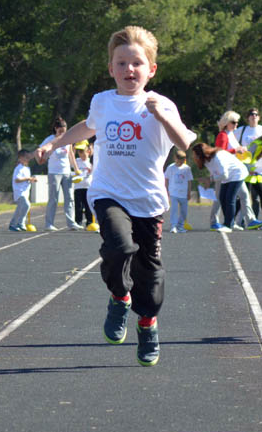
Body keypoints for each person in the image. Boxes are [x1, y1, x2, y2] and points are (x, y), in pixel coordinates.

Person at [34, 26, 196, 367]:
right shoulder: (103, 101)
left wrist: (162, 116)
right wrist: (54, 143)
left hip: (149, 201)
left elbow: (184, 143)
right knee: (118, 248)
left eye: (137, 63)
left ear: (151, 69)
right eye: (121, 63)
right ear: (111, 68)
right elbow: (87, 127)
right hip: (108, 193)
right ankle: (119, 296)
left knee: (149, 273)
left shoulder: (162, 105)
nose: (129, 70)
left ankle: (147, 323)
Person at [191, 143, 249, 232]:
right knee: (222, 198)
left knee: (230, 199)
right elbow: (215, 173)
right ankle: (231, 223)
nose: (193, 157)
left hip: (237, 174)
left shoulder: (217, 158)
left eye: (194, 155)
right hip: (228, 176)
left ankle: (228, 225)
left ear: (200, 154)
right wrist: (208, 181)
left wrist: (209, 179)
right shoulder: (206, 160)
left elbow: (224, 175)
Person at [40, 117, 82, 231]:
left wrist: (76, 169)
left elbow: (71, 155)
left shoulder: (67, 139)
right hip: (54, 173)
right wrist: (50, 151)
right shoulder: (49, 139)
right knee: (53, 198)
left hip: (67, 172)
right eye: (60, 131)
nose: (62, 134)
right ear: (55, 129)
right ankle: (49, 224)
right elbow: (41, 151)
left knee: (70, 198)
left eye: (64, 131)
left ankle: (71, 223)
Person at [163, 150, 193, 233]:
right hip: (174, 193)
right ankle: (173, 226)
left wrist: (189, 192)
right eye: (179, 159)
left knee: (184, 211)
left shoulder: (187, 168)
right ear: (175, 158)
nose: (181, 161)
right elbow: (166, 179)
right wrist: (166, 190)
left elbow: (189, 181)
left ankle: (180, 226)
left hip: (183, 194)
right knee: (174, 210)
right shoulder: (171, 167)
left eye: (183, 159)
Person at [9, 149, 36, 232]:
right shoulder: (19, 168)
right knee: (27, 205)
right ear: (20, 158)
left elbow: (25, 179)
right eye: (26, 157)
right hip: (19, 192)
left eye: (28, 158)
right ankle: (20, 223)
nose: (27, 159)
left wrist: (31, 180)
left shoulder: (27, 169)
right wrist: (28, 178)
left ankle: (13, 224)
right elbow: (17, 180)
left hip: (25, 191)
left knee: (20, 208)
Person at [73, 141, 94, 228]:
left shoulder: (91, 162)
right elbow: (71, 158)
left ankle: (89, 222)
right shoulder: (77, 161)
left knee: (88, 206)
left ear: (88, 151)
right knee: (78, 207)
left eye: (83, 151)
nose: (82, 154)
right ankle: (78, 222)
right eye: (80, 152)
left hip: (88, 187)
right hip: (78, 187)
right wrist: (73, 149)